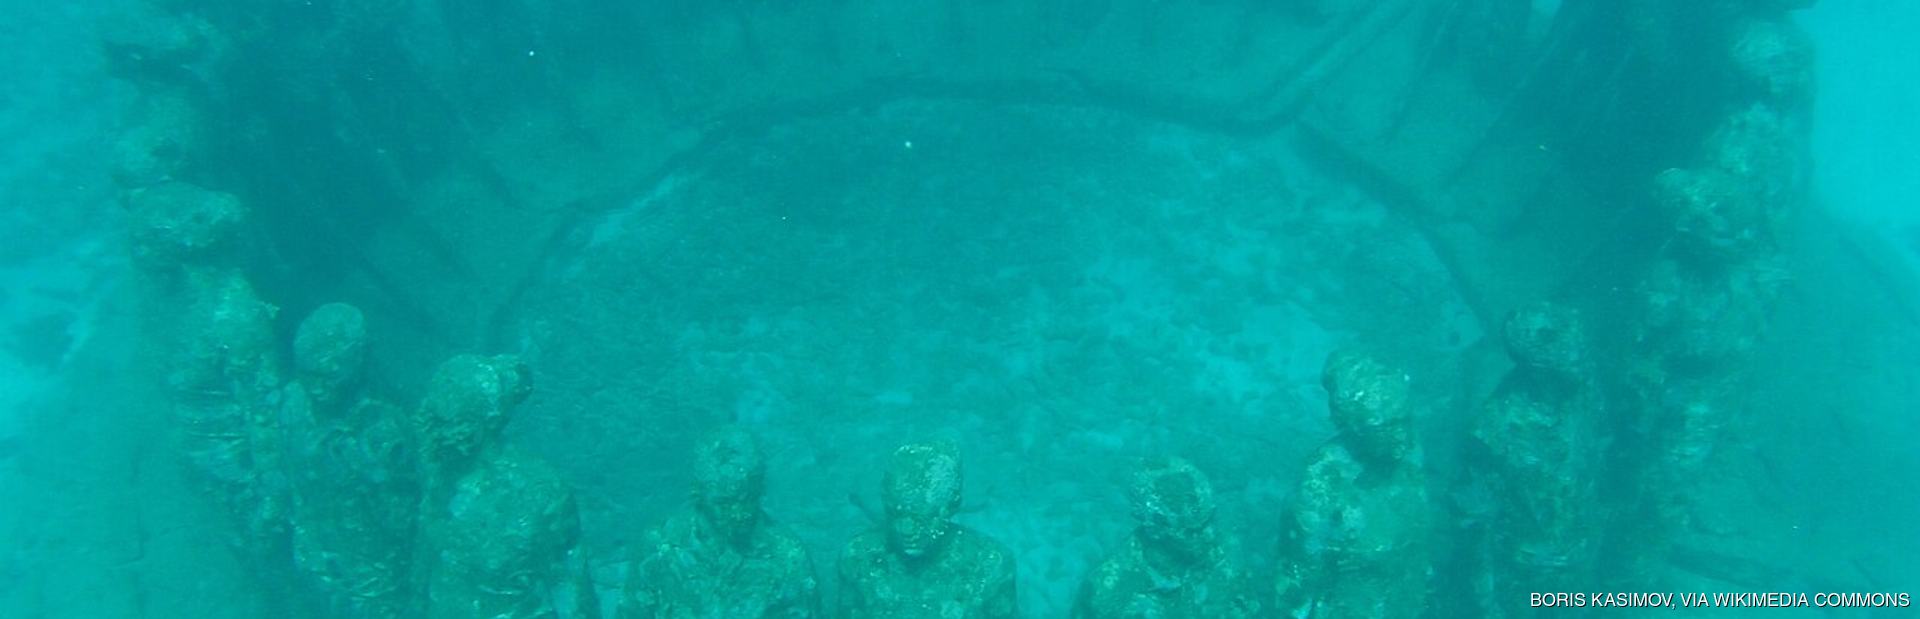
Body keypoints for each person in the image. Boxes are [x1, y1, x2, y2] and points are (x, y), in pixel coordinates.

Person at [413, 354, 599, 619]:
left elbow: (568, 581)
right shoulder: (438, 480)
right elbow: (424, 566)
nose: (433, 435)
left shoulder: (541, 492)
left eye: (449, 423)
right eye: (431, 420)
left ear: (487, 421)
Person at [281, 303, 419, 618]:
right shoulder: (294, 402)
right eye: (309, 374)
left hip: (354, 573)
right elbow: (404, 520)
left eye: (328, 375)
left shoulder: (380, 431)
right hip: (333, 564)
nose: (317, 388)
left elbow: (403, 519)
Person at [1274, 349, 1435, 619]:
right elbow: (1297, 574)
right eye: (1385, 427)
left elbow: (1416, 521)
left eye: (1404, 421)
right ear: (1355, 427)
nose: (1401, 437)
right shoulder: (1322, 480)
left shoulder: (1410, 450)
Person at [1465, 303, 1602, 614]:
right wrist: (1487, 601)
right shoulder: (1495, 426)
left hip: (1576, 559)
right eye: (1566, 352)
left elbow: (1588, 469)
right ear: (1536, 367)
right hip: (1524, 577)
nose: (1577, 357)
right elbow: (1477, 517)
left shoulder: (1581, 395)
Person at [621, 426, 818, 618]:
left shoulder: (788, 555)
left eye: (748, 500)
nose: (739, 514)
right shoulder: (660, 546)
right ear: (697, 493)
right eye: (723, 503)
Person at [836, 441, 1017, 619]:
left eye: (921, 517)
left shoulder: (989, 564)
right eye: (895, 512)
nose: (906, 529)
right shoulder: (859, 559)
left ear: (952, 506)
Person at [1073, 457, 1261, 619]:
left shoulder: (1227, 547)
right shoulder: (1107, 592)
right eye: (1191, 532)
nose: (1209, 536)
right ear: (1155, 530)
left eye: (1210, 520)